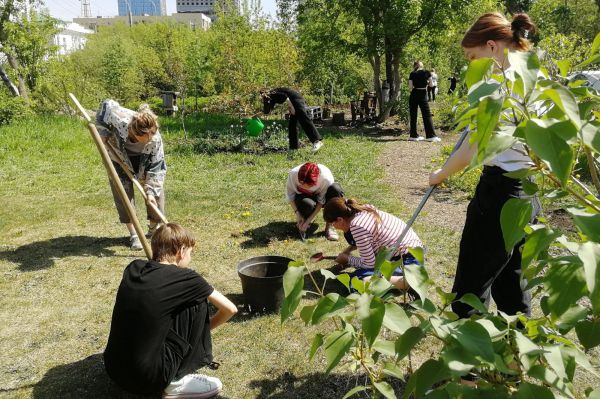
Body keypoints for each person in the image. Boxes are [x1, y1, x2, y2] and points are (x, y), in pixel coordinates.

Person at [429, 12, 539, 319]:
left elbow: (473, 149)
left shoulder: (496, 85)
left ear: (491, 46)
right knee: (512, 284)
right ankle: (516, 360)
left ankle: (468, 365)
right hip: (529, 194)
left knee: (471, 285)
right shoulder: (537, 74)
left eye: (471, 57)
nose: (470, 66)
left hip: (498, 196)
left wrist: (440, 174)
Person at [104, 223, 237, 398]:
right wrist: (202, 331)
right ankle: (175, 382)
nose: (190, 257)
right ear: (180, 251)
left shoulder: (133, 268)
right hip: (149, 378)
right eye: (190, 252)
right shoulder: (188, 279)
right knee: (198, 301)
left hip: (115, 369)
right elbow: (230, 309)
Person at [96, 100, 166, 250]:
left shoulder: (155, 140)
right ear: (134, 132)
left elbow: (157, 167)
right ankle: (134, 234)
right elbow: (106, 104)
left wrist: (151, 192)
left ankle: (154, 229)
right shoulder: (120, 119)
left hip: (145, 161)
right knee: (124, 193)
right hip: (118, 157)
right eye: (145, 139)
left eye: (153, 136)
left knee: (156, 195)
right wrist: (103, 132)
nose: (150, 140)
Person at [323, 197, 423, 291]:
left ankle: (407, 282)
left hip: (405, 260)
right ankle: (408, 279)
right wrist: (347, 251)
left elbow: (369, 264)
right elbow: (367, 240)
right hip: (414, 252)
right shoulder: (363, 211)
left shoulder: (357, 226)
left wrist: (348, 259)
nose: (335, 227)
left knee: (357, 281)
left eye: (333, 224)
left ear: (340, 220)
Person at [287, 162, 343, 241]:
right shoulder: (293, 174)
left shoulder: (326, 178)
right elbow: (290, 197)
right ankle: (303, 222)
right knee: (306, 204)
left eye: (309, 185)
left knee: (336, 189)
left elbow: (321, 202)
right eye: (301, 183)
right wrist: (298, 214)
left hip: (323, 196)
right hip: (304, 197)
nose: (304, 187)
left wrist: (310, 219)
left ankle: (329, 226)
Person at [261, 87, 324, 152]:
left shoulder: (272, 93)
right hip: (293, 101)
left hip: (296, 99)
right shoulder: (269, 97)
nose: (262, 98)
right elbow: (267, 111)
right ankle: (294, 147)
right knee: (292, 125)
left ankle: (317, 141)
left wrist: (292, 107)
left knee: (303, 119)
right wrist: (260, 114)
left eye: (262, 96)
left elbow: (286, 97)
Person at [408, 62, 440, 142]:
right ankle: (431, 136)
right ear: (421, 65)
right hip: (422, 94)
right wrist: (426, 82)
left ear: (415, 66)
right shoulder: (426, 72)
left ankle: (413, 136)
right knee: (426, 114)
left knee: (413, 115)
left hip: (414, 94)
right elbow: (431, 85)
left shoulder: (412, 73)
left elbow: (410, 87)